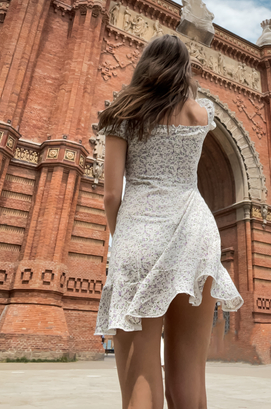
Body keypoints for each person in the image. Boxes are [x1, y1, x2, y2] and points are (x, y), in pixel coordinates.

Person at [94, 34, 243, 409]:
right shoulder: (200, 113)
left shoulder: (122, 112)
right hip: (196, 233)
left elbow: (112, 194)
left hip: (140, 232)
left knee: (140, 372)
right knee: (190, 375)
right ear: (185, 68)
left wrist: (122, 238)